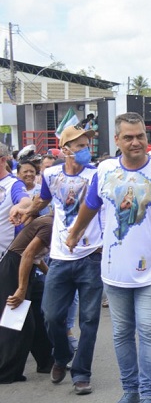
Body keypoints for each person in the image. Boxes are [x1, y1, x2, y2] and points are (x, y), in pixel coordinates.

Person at [66, 112, 151, 403]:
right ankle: (130, 392)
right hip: (114, 270)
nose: (136, 141)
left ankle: (148, 395)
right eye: (128, 137)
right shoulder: (103, 171)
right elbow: (90, 206)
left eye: (140, 135)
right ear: (117, 140)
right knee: (122, 334)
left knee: (150, 331)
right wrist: (74, 232)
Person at [15, 125, 102, 395]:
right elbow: (43, 199)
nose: (86, 149)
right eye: (79, 145)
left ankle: (81, 373)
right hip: (60, 258)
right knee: (51, 315)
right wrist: (26, 212)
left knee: (88, 320)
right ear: (65, 149)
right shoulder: (51, 174)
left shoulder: (97, 174)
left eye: (87, 144)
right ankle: (61, 356)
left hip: (91, 256)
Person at [0, 215, 54, 383]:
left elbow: (37, 258)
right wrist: (21, 289)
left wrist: (51, 276)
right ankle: (6, 373)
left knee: (38, 315)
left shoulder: (49, 222)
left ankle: (47, 362)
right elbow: (28, 254)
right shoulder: (49, 225)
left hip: (25, 267)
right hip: (15, 267)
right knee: (19, 323)